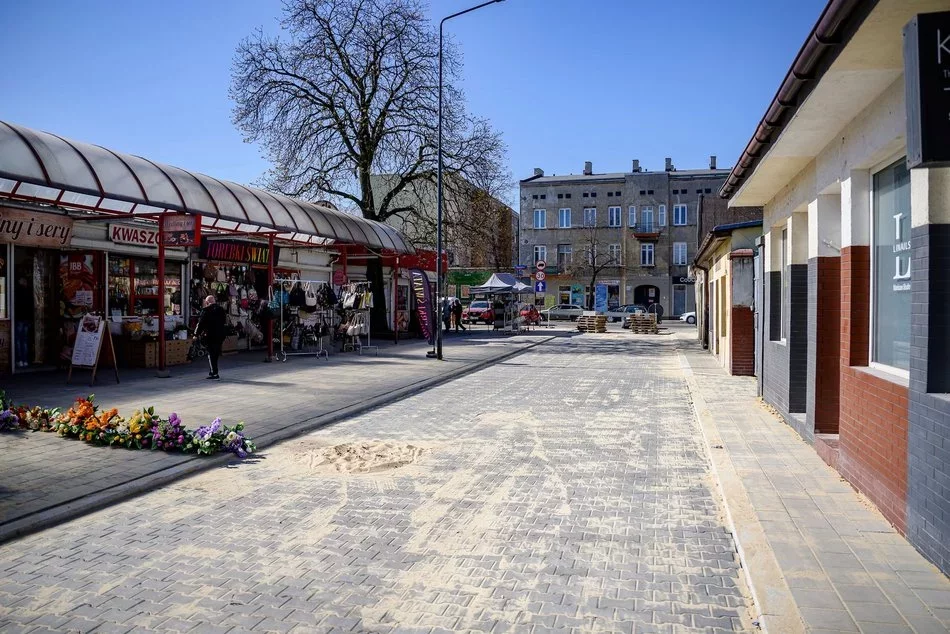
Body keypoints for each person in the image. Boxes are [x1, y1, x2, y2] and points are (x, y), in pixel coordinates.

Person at [194, 295, 227, 379]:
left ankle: (214, 373)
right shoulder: (221, 310)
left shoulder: (206, 310)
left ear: (207, 302)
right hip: (220, 334)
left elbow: (200, 323)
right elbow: (224, 321)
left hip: (210, 335)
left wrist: (196, 334)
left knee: (211, 353)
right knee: (215, 353)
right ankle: (214, 371)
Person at [14, 276, 33, 368]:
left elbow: (16, 305)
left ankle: (19, 360)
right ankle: (25, 360)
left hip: (19, 318)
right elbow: (31, 306)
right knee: (24, 340)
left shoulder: (17, 291)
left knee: (18, 340)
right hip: (27, 319)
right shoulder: (29, 292)